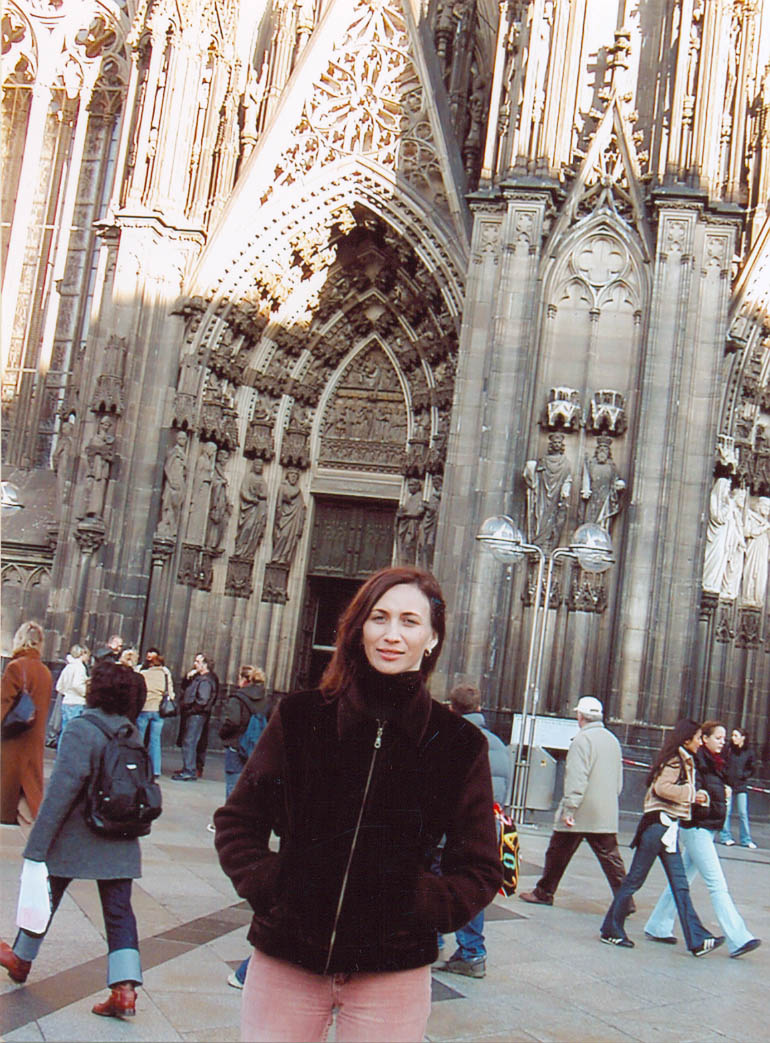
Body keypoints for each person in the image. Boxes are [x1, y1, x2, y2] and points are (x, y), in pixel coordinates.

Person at [214, 566, 502, 1042]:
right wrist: (273, 886)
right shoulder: (301, 716)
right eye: (379, 618)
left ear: (432, 638)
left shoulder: (458, 744)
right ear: (359, 628)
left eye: (410, 621)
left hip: (391, 971)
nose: (392, 634)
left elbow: (481, 867)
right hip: (287, 957)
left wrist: (416, 906)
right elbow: (238, 821)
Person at [0, 660, 144, 1018]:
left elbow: (61, 792)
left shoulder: (81, 728)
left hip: (76, 836)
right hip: (120, 834)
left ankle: (21, 959)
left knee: (46, 896)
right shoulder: (130, 730)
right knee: (119, 911)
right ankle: (125, 990)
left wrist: (37, 846)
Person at [600, 719, 724, 956]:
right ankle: (611, 929)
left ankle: (697, 939)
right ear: (687, 740)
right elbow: (661, 788)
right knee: (635, 880)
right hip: (658, 828)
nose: (700, 742)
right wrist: (691, 794)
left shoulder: (682, 758)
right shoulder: (676, 760)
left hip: (667, 829)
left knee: (680, 885)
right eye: (698, 737)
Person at [643, 720, 761, 958]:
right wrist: (704, 798)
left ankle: (658, 924)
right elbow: (690, 792)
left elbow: (726, 782)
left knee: (682, 880)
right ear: (704, 739)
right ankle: (738, 938)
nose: (722, 742)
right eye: (718, 738)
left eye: (724, 738)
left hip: (705, 828)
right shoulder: (697, 761)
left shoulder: (715, 761)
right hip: (697, 827)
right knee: (717, 884)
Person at [520, 696, 632, 909]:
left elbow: (576, 777)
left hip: (580, 811)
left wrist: (570, 808)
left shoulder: (581, 740)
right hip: (603, 810)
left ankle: (544, 892)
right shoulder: (612, 740)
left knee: (557, 852)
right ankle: (625, 900)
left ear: (580, 716)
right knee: (611, 858)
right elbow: (618, 780)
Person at [435, 683, 513, 978]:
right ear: (479, 708)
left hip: (449, 829)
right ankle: (473, 953)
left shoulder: (449, 737)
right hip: (484, 828)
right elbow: (504, 787)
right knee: (471, 887)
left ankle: (437, 944)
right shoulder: (499, 744)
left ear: (451, 707)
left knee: (434, 880)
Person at [1, 622, 53, 825]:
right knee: (29, 794)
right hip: (33, 740)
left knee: (10, 792)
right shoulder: (45, 672)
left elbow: (3, 704)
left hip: (13, 741)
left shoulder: (15, 667)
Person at [219, 664, 269, 798]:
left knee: (233, 787)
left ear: (244, 680)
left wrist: (222, 733)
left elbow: (233, 721)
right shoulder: (264, 699)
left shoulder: (237, 698)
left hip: (236, 745)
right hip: (254, 747)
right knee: (249, 789)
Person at [173, 653, 218, 781]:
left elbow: (203, 700)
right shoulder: (200, 678)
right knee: (189, 741)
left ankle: (189, 770)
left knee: (190, 742)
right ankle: (189, 768)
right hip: (194, 714)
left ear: (205, 665)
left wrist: (192, 710)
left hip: (196, 715)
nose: (195, 664)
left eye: (198, 662)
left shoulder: (206, 680)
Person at [138, 648, 175, 779]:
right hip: (158, 710)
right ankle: (155, 770)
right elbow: (171, 693)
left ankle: (137, 766)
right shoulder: (165, 674)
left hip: (144, 708)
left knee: (139, 739)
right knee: (155, 740)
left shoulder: (143, 673)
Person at [718, 727, 757, 849]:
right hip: (728, 784)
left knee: (743, 812)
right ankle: (725, 837)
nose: (733, 738)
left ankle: (746, 839)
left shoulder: (749, 752)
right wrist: (725, 776)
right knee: (727, 811)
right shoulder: (728, 749)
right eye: (733, 735)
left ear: (743, 738)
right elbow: (721, 763)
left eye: (736, 735)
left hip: (741, 785)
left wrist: (744, 775)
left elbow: (752, 767)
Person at [55, 644, 90, 745]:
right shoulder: (80, 667)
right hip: (77, 702)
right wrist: (86, 693)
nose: (88, 658)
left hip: (66, 702)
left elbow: (59, 686)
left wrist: (67, 692)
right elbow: (77, 684)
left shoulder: (68, 667)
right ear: (82, 653)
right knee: (73, 733)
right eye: (87, 655)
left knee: (64, 731)